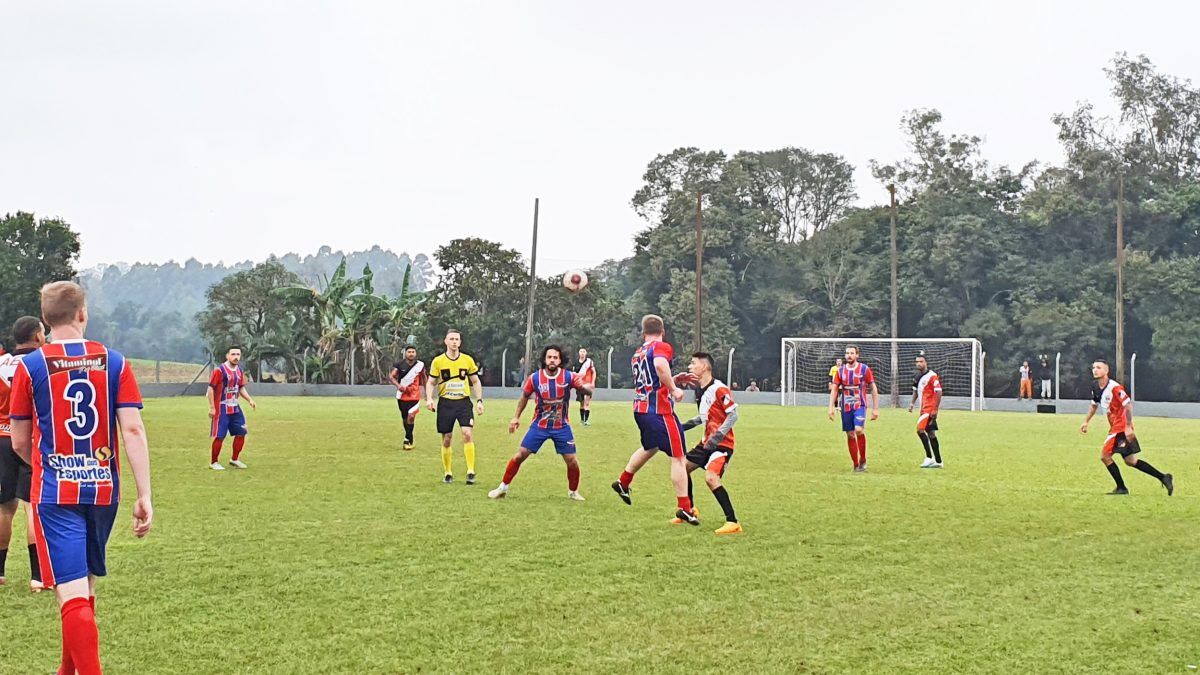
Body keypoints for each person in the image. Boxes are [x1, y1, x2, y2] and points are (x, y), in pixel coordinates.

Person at [9, 281, 153, 674]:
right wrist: (145, 494)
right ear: (83, 314)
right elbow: (134, 430)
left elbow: (20, 441)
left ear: (44, 321)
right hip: (104, 491)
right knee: (84, 589)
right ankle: (66, 670)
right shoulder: (116, 362)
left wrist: (46, 465)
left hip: (56, 493)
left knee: (71, 593)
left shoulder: (31, 366)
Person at [610, 315, 699, 525]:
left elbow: (650, 378)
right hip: (659, 411)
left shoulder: (638, 352)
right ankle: (685, 508)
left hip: (640, 409)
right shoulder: (661, 347)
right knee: (678, 457)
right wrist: (674, 388)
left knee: (650, 447)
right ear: (663, 331)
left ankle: (623, 482)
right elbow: (659, 366)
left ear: (643, 333)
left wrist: (672, 379)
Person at [488, 345, 594, 501]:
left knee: (572, 461)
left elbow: (588, 391)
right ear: (544, 359)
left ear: (560, 360)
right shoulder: (535, 378)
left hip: (561, 426)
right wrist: (516, 417)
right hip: (539, 425)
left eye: (555, 357)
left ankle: (573, 492)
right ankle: (502, 487)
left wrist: (584, 388)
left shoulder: (568, 377)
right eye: (549, 357)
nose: (552, 360)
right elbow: (524, 397)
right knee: (520, 456)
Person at [0, 316, 47, 591]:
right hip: (30, 439)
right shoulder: (40, 362)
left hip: (1, 439)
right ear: (37, 336)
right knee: (33, 507)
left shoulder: (1, 364)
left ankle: (0, 572)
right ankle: (39, 576)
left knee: (4, 508)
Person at [1080, 358, 1173, 496]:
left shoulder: (1114, 387)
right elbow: (1094, 405)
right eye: (1094, 367)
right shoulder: (1095, 387)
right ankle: (1164, 477)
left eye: (1099, 367)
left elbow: (1128, 404)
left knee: (1105, 456)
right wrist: (1086, 421)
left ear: (1106, 371)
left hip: (1120, 427)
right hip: (1116, 426)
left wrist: (1128, 426)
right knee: (1131, 461)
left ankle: (1121, 488)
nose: (1095, 370)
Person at [676, 352, 743, 535]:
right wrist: (682, 426)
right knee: (682, 469)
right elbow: (704, 417)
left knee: (711, 478)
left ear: (704, 367)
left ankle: (733, 521)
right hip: (706, 442)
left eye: (693, 363)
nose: (690, 367)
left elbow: (733, 414)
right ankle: (688, 511)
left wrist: (719, 435)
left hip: (722, 444)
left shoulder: (719, 388)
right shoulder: (699, 390)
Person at [426, 329, 484, 484]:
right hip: (445, 403)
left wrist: (479, 400)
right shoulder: (438, 361)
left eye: (457, 339)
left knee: (467, 434)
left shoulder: (467, 360)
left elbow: (476, 381)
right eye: (451, 339)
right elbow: (431, 382)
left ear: (460, 342)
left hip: (463, 403)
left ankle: (471, 471)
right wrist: (429, 399)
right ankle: (448, 472)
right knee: (447, 439)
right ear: (445, 341)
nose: (454, 342)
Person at [828, 345, 879, 472]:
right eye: (847, 353)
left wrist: (875, 408)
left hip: (859, 404)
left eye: (852, 353)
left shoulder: (864, 369)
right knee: (850, 434)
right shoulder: (840, 371)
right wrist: (831, 407)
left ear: (857, 355)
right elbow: (834, 389)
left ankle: (863, 459)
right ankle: (856, 464)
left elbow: (873, 388)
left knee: (858, 430)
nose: (849, 355)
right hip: (845, 406)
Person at [208, 347, 257, 470]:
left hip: (235, 407)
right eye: (233, 354)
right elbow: (210, 389)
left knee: (241, 432)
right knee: (220, 436)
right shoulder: (220, 371)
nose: (236, 357)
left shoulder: (239, 371)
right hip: (222, 407)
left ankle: (234, 459)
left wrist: (250, 399)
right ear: (227, 356)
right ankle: (213, 462)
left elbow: (241, 387)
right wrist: (212, 407)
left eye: (238, 354)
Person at [908, 353, 944, 468]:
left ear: (926, 362)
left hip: (929, 409)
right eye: (917, 361)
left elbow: (939, 391)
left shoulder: (932, 376)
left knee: (919, 430)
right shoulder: (917, 376)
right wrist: (912, 403)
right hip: (923, 409)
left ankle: (929, 458)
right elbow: (915, 391)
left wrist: (935, 409)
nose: (919, 363)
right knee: (931, 434)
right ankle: (938, 462)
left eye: (921, 361)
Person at [389, 345, 428, 450]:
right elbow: (391, 376)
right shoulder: (399, 364)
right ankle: (409, 436)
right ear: (405, 353)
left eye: (413, 352)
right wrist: (398, 386)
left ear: (416, 353)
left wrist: (427, 393)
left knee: (411, 416)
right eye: (409, 352)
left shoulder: (420, 365)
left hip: (415, 396)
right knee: (405, 419)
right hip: (402, 396)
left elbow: (424, 378)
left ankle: (407, 439)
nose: (411, 354)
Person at [575, 347, 597, 425]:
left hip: (587, 385)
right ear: (579, 353)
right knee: (581, 403)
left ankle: (586, 420)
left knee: (586, 402)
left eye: (584, 351)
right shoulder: (576, 363)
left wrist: (593, 382)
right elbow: (574, 375)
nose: (582, 353)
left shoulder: (589, 362)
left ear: (586, 353)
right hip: (580, 385)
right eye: (581, 351)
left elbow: (594, 372)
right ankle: (582, 420)